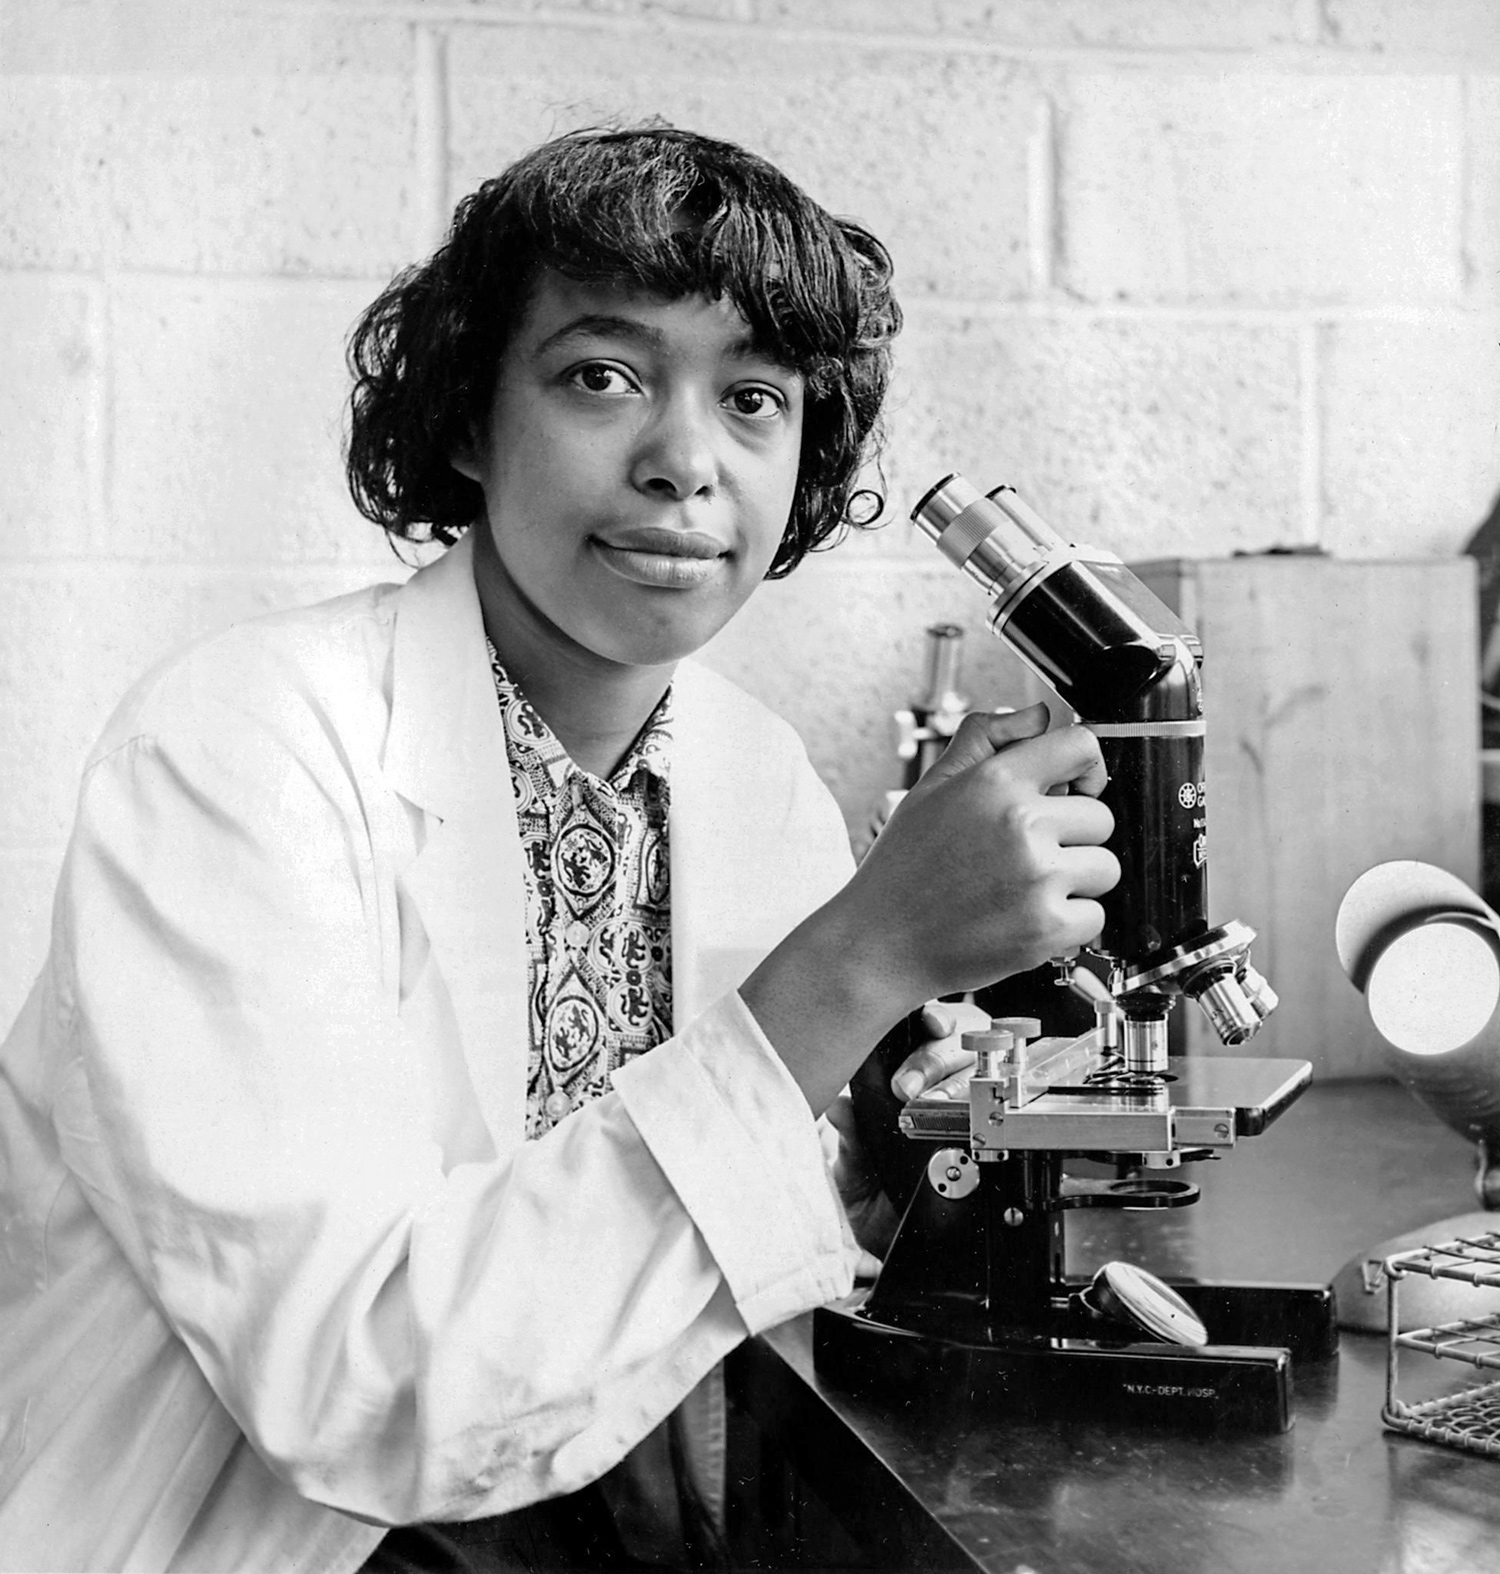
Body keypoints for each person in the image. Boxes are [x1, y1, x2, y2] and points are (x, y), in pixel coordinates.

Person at [0, 125, 1117, 1573]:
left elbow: (737, 1198)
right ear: (468, 417)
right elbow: (365, 1387)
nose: (684, 463)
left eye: (755, 398)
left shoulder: (752, 772)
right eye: (604, 375)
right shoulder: (234, 755)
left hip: (635, 1509)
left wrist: (907, 1114)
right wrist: (864, 952)